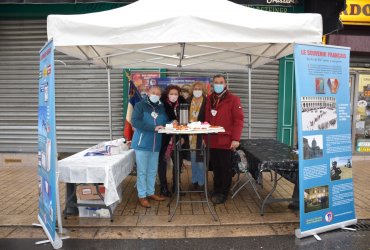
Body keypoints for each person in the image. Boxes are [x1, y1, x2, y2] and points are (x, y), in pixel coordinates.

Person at [205, 74, 244, 204]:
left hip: (226, 140)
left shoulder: (233, 99)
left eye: (221, 82)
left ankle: (223, 192)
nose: (218, 84)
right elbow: (206, 119)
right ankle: (216, 189)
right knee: (216, 167)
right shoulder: (209, 99)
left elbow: (238, 120)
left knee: (225, 168)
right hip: (212, 140)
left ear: (225, 84)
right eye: (216, 82)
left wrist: (236, 139)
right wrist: (205, 137)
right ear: (212, 84)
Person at [131, 86, 168, 208]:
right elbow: (135, 122)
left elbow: (164, 121)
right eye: (153, 93)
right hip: (142, 144)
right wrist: (153, 128)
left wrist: (171, 123)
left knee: (152, 170)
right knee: (142, 171)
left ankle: (150, 192)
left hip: (155, 144)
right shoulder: (140, 105)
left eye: (158, 93)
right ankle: (142, 195)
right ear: (148, 93)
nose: (156, 95)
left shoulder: (161, 107)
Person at [158, 85, 188, 197]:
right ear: (167, 94)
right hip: (164, 138)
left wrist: (183, 137)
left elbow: (186, 122)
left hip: (178, 138)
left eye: (176, 94)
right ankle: (163, 187)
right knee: (162, 163)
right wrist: (170, 123)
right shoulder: (161, 104)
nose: (174, 96)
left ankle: (176, 185)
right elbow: (158, 120)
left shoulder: (183, 104)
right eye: (172, 93)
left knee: (178, 162)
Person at [188, 82, 207, 190]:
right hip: (190, 136)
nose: (197, 90)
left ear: (203, 90)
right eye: (195, 88)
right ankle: (194, 181)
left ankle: (201, 183)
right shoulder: (188, 101)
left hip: (201, 136)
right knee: (193, 160)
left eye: (199, 88)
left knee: (200, 161)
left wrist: (204, 136)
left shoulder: (207, 102)